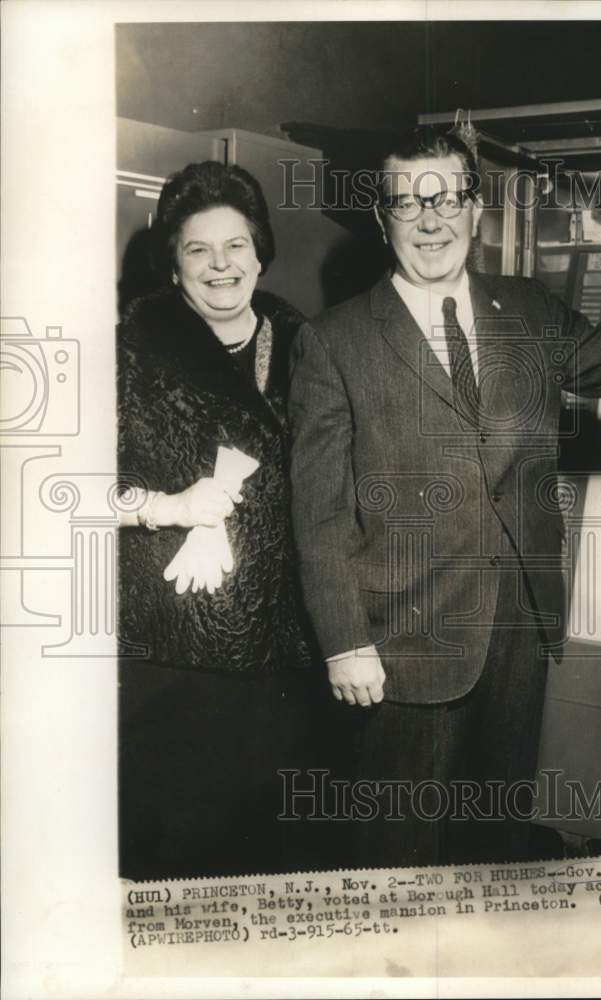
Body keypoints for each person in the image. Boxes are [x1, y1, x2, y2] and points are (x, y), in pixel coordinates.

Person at [287, 127, 601, 869]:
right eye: (406, 203)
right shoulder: (332, 341)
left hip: (516, 631)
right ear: (381, 218)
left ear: (475, 207)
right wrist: (344, 643)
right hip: (399, 642)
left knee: (492, 842)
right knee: (397, 848)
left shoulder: (528, 309)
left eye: (446, 197)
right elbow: (318, 513)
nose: (430, 220)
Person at [117, 160, 323, 880]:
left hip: (284, 641)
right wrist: (162, 507)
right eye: (197, 249)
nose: (220, 265)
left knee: (268, 851)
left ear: (260, 251)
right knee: (177, 851)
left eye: (235, 245)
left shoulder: (306, 345)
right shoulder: (129, 348)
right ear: (173, 266)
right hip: (174, 642)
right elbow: (56, 483)